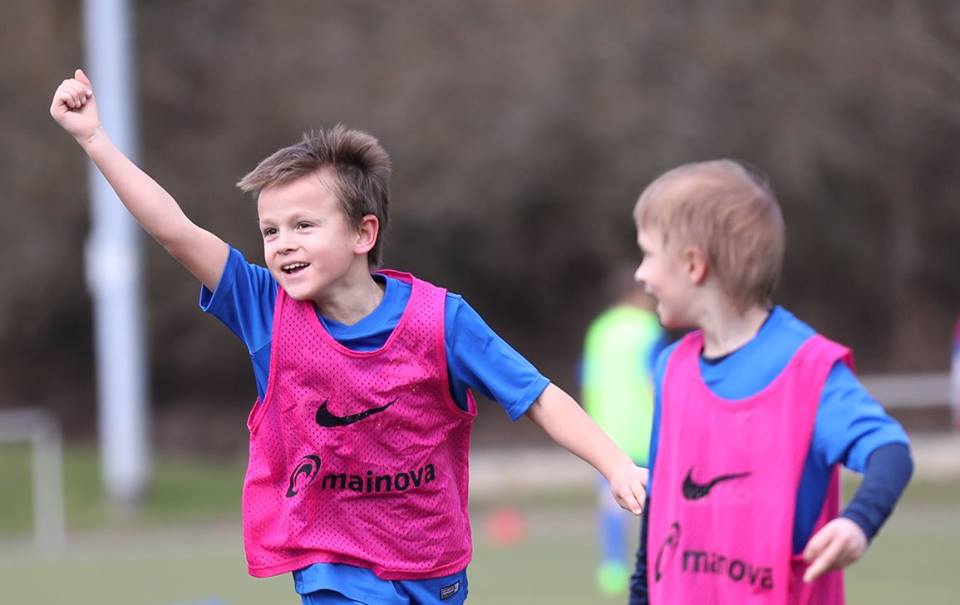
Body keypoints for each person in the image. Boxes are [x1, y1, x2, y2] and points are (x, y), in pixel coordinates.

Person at [50, 70, 648, 605]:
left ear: (364, 234)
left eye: (303, 225)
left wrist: (615, 465)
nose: (282, 244)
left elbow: (536, 396)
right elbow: (176, 232)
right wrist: (94, 139)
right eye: (270, 231)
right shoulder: (266, 309)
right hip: (333, 564)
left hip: (433, 562)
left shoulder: (440, 321)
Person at [625, 160, 913, 604]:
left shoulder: (807, 371)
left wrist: (858, 522)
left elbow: (889, 452)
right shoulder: (672, 369)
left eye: (648, 254)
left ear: (693, 264)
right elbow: (660, 514)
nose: (640, 274)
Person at [580, 272, 664, 595]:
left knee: (612, 504)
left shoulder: (599, 330)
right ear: (637, 294)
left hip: (608, 435)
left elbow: (589, 380)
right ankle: (658, 567)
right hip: (647, 432)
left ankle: (612, 571)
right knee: (656, 505)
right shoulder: (648, 329)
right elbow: (655, 380)